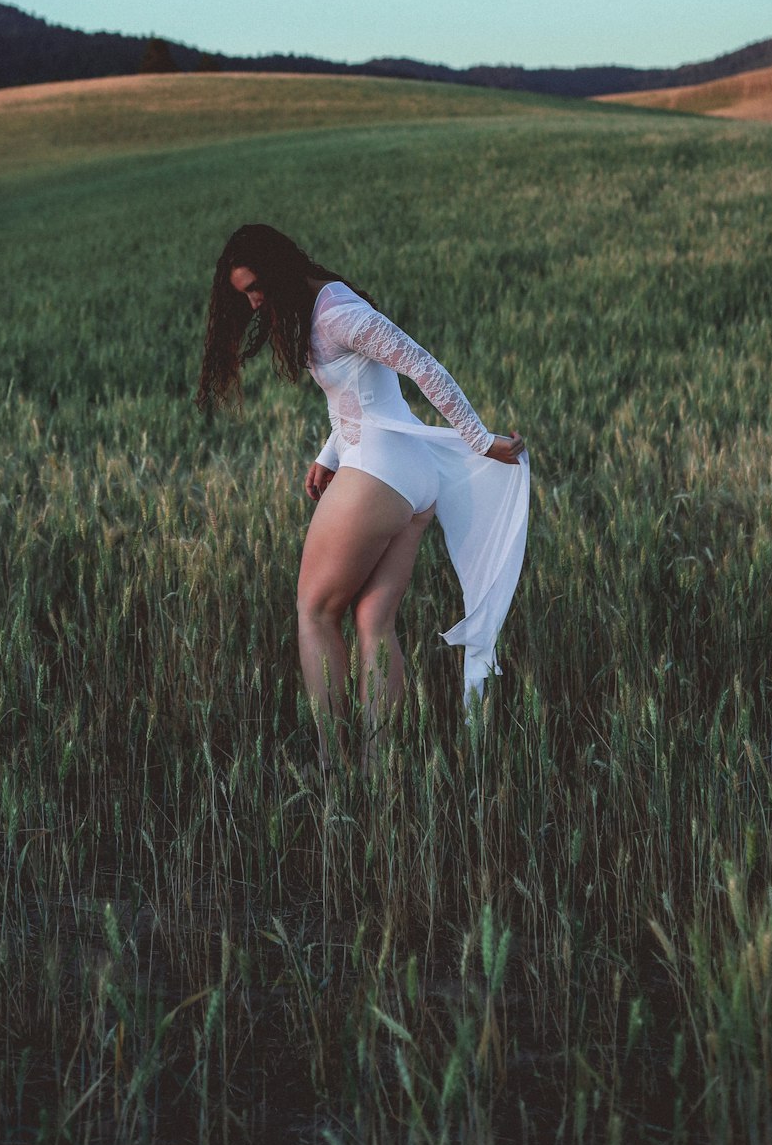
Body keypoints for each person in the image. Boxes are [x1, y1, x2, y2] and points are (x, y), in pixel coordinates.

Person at [196, 224, 529, 761]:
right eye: (244, 295)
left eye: (256, 287)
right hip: (407, 475)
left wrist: (480, 440)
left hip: (382, 469)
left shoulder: (336, 315)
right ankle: (380, 776)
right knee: (373, 621)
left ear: (278, 270)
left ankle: (334, 768)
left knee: (312, 610)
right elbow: (361, 397)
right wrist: (329, 457)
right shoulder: (321, 304)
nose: (254, 302)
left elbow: (422, 364)